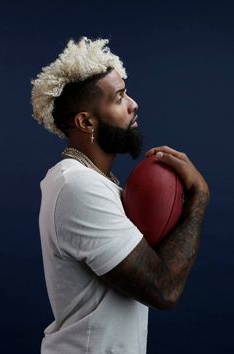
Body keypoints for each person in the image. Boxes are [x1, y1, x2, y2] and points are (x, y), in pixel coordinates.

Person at [31, 37, 210, 354]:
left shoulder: (102, 186)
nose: (133, 104)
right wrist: (198, 198)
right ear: (86, 121)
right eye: (119, 98)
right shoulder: (77, 186)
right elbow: (164, 289)